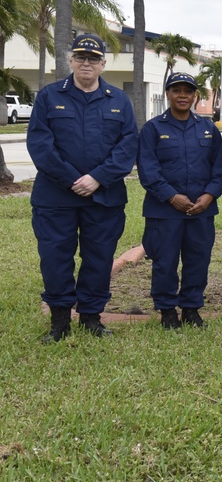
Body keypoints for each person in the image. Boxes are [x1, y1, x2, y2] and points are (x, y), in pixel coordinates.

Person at [27, 34, 138, 341]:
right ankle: (60, 321)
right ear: (70, 61)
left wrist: (97, 178)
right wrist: (73, 180)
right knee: (55, 257)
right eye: (80, 57)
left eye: (93, 58)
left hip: (104, 197)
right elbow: (39, 144)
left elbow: (128, 146)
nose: (86, 63)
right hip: (55, 197)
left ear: (103, 64)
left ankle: (91, 317)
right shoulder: (49, 97)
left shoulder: (119, 101)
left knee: (99, 257)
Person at [137, 72, 222, 329]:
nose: (182, 96)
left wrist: (209, 196)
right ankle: (167, 311)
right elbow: (147, 170)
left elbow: (219, 170)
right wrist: (172, 197)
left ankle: (191, 308)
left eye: (187, 91)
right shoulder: (153, 129)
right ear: (167, 94)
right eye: (176, 90)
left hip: (201, 211)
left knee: (198, 261)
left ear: (195, 96)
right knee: (165, 262)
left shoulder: (208, 129)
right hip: (164, 212)